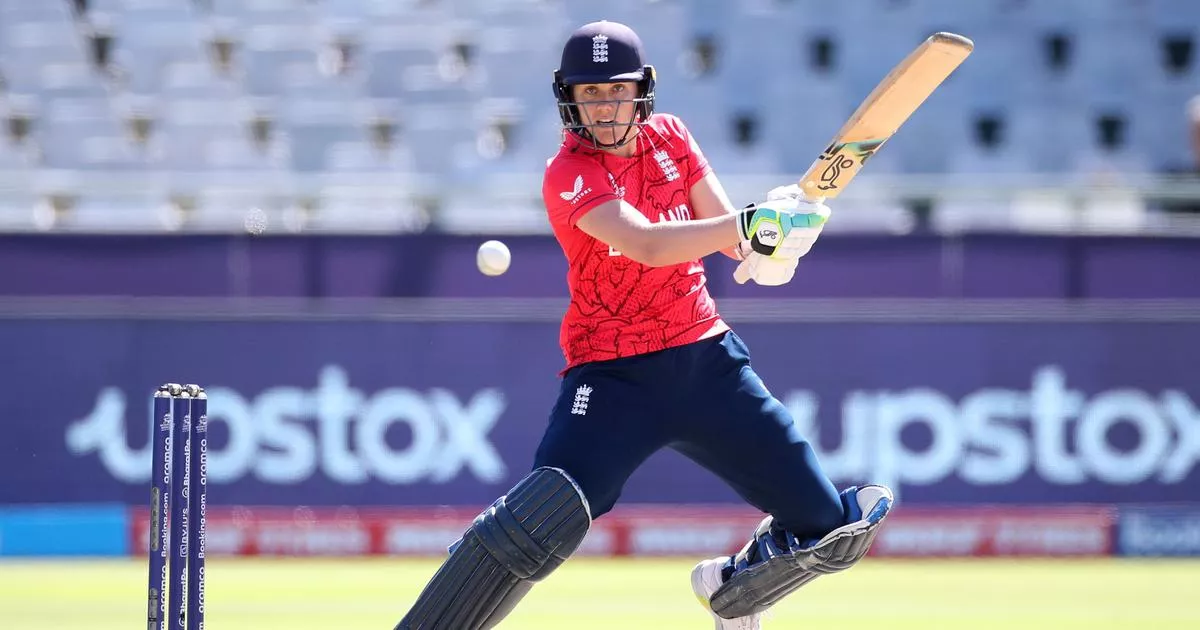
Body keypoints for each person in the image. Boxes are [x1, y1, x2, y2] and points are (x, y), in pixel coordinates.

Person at [395, 20, 893, 630]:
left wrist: (778, 240)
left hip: (708, 366)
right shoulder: (568, 172)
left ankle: (731, 589)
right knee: (540, 517)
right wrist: (750, 225)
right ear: (569, 99)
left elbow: (729, 234)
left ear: (642, 91)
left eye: (617, 90)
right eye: (590, 93)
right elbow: (648, 244)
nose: (605, 106)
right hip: (612, 379)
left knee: (829, 529)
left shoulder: (672, 138)